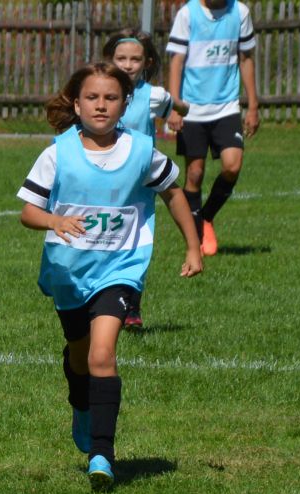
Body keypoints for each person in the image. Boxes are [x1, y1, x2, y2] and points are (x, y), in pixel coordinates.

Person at [19, 64, 201, 492]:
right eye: (92, 98)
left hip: (120, 269)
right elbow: (28, 212)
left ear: (125, 104)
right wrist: (54, 221)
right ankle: (81, 407)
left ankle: (102, 454)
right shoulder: (58, 153)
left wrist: (193, 246)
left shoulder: (141, 151)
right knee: (79, 355)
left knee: (102, 355)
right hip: (69, 272)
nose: (101, 105)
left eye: (111, 98)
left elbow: (173, 193)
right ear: (76, 104)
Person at [165, 0, 259, 256]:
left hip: (226, 106)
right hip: (192, 108)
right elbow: (176, 62)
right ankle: (196, 238)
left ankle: (206, 217)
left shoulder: (240, 12)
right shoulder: (188, 14)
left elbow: (246, 59)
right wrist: (175, 105)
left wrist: (252, 106)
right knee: (194, 174)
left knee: (232, 165)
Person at [103, 28, 173, 330]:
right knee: (105, 238)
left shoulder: (153, 96)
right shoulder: (102, 93)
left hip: (140, 183)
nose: (128, 65)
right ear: (110, 59)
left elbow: (172, 108)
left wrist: (179, 115)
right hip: (104, 177)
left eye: (135, 59)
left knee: (135, 242)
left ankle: (132, 305)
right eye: (121, 58)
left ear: (147, 62)